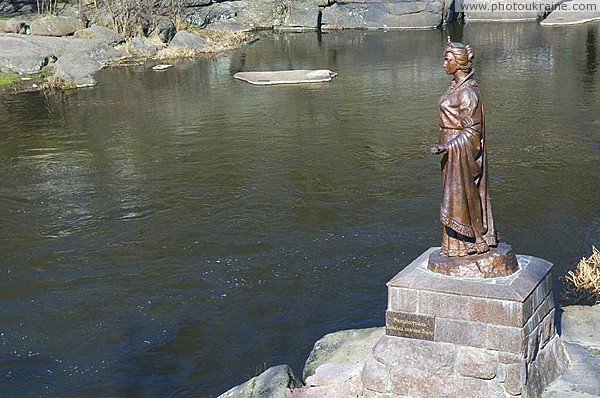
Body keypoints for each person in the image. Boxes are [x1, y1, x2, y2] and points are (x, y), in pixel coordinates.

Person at [430, 38, 498, 257]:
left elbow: (472, 132)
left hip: (457, 148)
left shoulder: (468, 93)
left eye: (446, 59)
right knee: (452, 194)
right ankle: (454, 245)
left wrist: (449, 146)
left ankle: (470, 240)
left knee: (461, 193)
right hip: (448, 147)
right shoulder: (455, 87)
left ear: (458, 63)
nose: (443, 64)